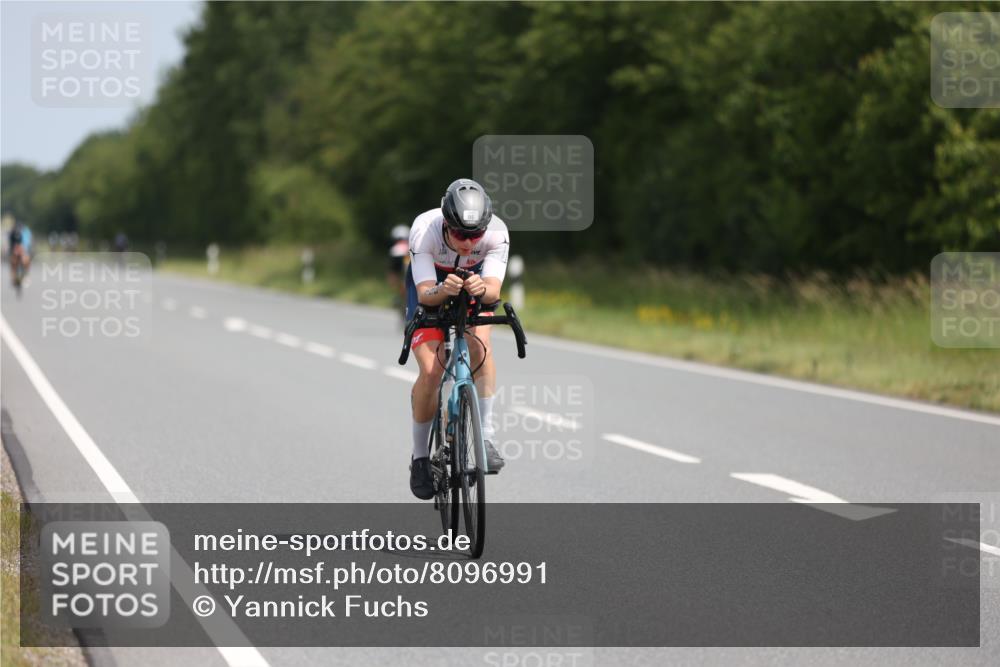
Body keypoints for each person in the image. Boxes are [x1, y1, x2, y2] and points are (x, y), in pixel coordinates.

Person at [406, 179, 509, 499]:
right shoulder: (425, 229)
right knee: (432, 371)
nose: (468, 242)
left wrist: (481, 289)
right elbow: (425, 294)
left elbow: (494, 289)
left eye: (475, 234)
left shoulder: (497, 231)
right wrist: (442, 290)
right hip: (432, 286)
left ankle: (486, 437)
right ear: (446, 224)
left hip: (474, 282)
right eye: (461, 235)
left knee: (480, 349)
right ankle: (420, 457)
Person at [387, 224, 410, 323]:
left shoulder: (394, 249)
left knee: (402, 294)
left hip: (403, 277)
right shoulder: (413, 246)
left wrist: (393, 281)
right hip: (413, 276)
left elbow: (393, 269)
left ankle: (402, 308)